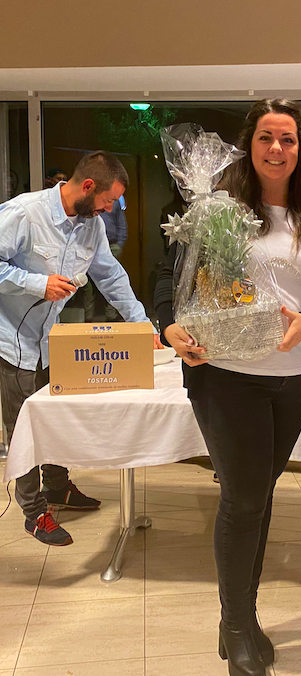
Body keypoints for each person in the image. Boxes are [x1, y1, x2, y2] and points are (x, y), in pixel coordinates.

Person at [154, 99, 301, 676]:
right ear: (250, 145)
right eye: (266, 137)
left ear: (300, 148)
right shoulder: (219, 209)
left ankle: (242, 615)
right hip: (226, 376)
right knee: (243, 500)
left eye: (287, 139)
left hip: (294, 380)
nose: (276, 149)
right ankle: (236, 623)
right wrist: (168, 325)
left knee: (259, 497)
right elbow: (170, 275)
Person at [0, 151, 161, 547]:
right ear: (88, 186)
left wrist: (141, 324)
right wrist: (37, 283)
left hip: (52, 340)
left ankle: (57, 488)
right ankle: (34, 512)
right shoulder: (25, 213)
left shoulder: (92, 226)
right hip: (13, 341)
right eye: (109, 200)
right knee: (24, 427)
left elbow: (111, 275)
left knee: (54, 419)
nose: (110, 208)